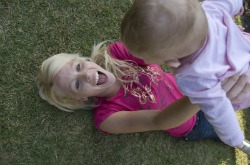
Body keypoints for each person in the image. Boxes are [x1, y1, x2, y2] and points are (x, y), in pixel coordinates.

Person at [36, 41, 250, 146]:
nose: (87, 76)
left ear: (85, 60)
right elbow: (160, 120)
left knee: (241, 85)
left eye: (78, 67)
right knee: (227, 132)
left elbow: (160, 53)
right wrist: (207, 93)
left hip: (193, 87)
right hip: (195, 122)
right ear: (81, 98)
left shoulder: (116, 55)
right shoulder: (107, 118)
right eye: (77, 85)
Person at [120, 0, 250, 153]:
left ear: (172, 62)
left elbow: (220, 112)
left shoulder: (194, 76)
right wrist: (238, 6)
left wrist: (236, 140)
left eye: (149, 58)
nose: (146, 61)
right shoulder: (209, 10)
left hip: (244, 86)